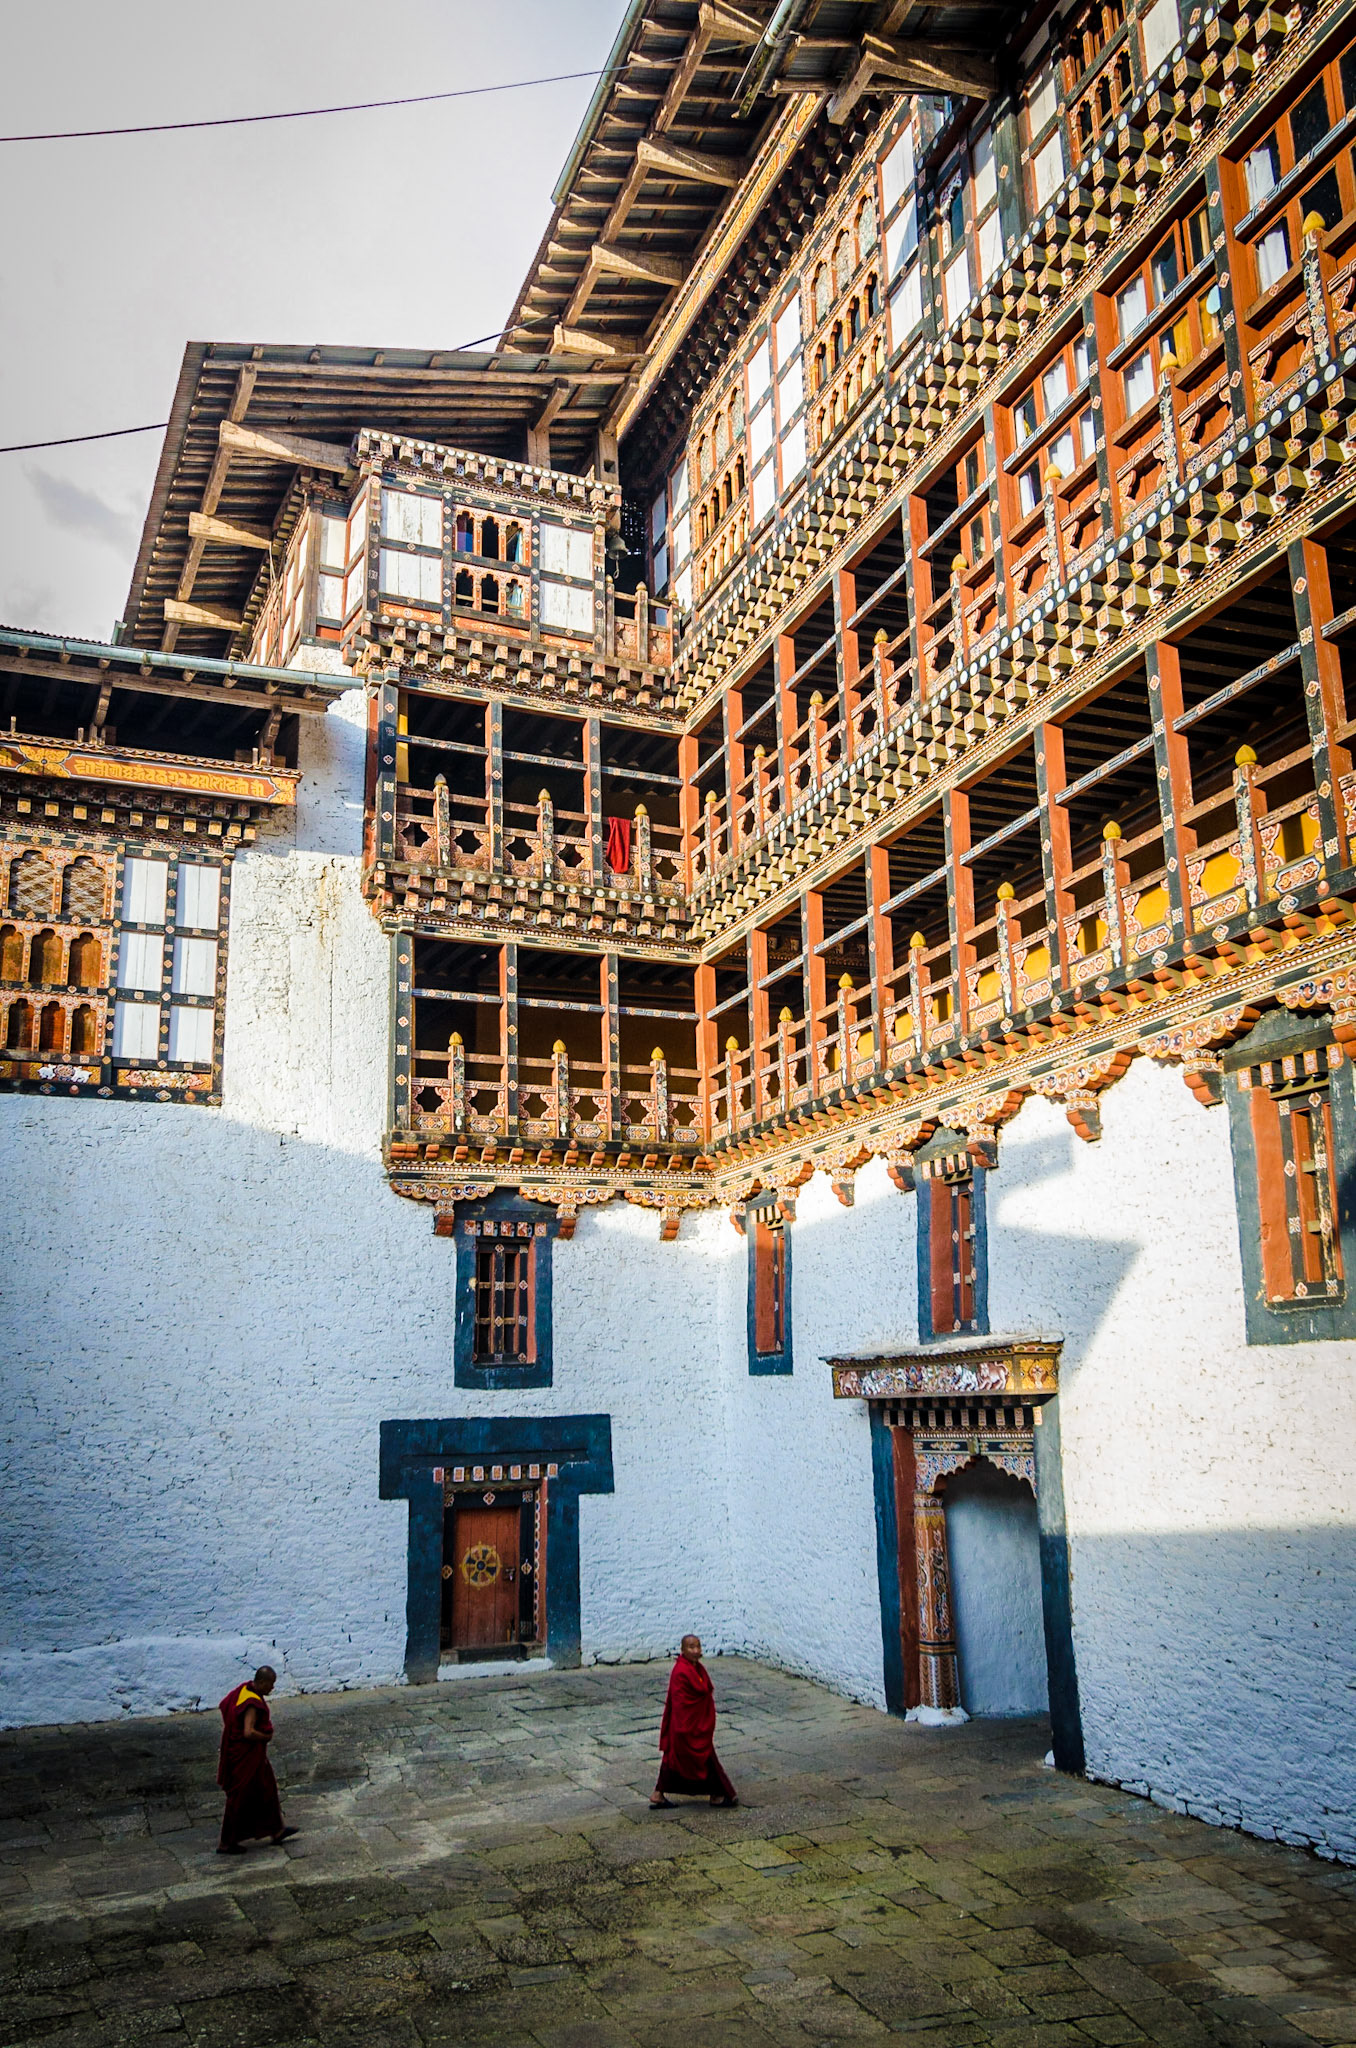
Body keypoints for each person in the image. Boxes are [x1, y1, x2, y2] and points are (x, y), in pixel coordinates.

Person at [216, 1665, 298, 1853]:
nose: (272, 1688)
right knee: (239, 1797)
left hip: (251, 1756)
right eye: (270, 1684)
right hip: (245, 1756)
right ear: (261, 1682)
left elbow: (225, 1705)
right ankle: (226, 1842)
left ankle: (277, 1830)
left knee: (267, 1788)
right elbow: (248, 1732)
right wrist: (266, 1737)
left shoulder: (244, 1690)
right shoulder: (252, 1702)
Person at [650, 1635, 738, 1808]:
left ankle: (658, 1793)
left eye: (698, 1647)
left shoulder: (696, 1668)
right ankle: (717, 1794)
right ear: (682, 1650)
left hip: (696, 1725)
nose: (696, 1651)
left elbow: (703, 1691)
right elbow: (680, 1704)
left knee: (675, 1760)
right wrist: (686, 1728)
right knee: (697, 1759)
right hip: (686, 1727)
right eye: (691, 1647)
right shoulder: (681, 1671)